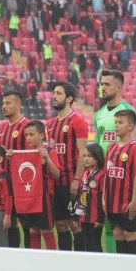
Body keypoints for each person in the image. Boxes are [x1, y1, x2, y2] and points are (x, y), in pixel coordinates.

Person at [94, 69, 136, 253]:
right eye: (101, 84)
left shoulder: (128, 112)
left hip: (122, 178)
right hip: (104, 175)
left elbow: (134, 148)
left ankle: (127, 265)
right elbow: (97, 144)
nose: (102, 88)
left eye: (107, 84)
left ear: (119, 87)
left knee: (124, 228)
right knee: (104, 224)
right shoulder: (100, 114)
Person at [46, 81, 89, 251]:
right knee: (60, 225)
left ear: (69, 98)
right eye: (53, 93)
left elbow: (83, 154)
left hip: (71, 181)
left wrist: (77, 180)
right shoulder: (50, 124)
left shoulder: (77, 121)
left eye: (58, 93)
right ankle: (65, 261)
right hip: (55, 184)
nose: (54, 96)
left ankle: (80, 262)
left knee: (75, 224)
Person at [0, 90, 30, 248]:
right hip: (3, 185)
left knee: (26, 224)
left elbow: (33, 156)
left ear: (18, 105)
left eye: (8, 103)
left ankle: (27, 256)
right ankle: (12, 254)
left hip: (22, 184)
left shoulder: (26, 125)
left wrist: (16, 157)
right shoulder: (2, 126)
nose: (3, 106)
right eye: (3, 103)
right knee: (8, 222)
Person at [103, 110, 136, 255]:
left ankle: (135, 268)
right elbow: (107, 175)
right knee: (118, 234)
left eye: (121, 122)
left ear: (131, 126)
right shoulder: (111, 147)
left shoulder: (135, 148)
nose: (116, 125)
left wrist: (134, 201)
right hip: (112, 202)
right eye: (116, 122)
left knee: (130, 234)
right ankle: (123, 268)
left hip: (127, 201)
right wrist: (104, 198)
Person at [21, 120, 60, 250]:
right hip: (29, 196)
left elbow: (57, 174)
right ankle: (35, 261)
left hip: (45, 196)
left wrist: (47, 158)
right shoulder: (25, 152)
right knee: (33, 231)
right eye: (26, 135)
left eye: (31, 134)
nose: (28, 138)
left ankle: (51, 260)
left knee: (46, 231)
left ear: (42, 135)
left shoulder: (49, 151)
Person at [73, 143, 105, 252]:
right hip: (84, 217)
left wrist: (100, 219)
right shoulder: (84, 174)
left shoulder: (101, 175)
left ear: (97, 157)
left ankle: (98, 267)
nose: (86, 159)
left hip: (95, 218)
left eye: (89, 156)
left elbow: (102, 199)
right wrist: (77, 215)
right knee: (86, 244)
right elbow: (80, 197)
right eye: (84, 156)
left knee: (95, 244)